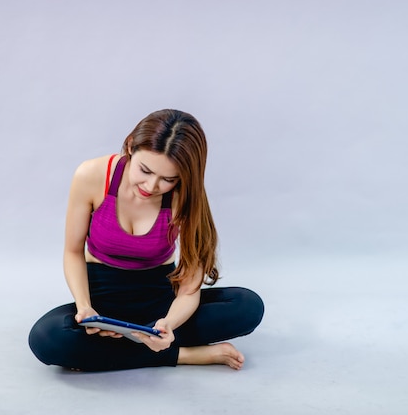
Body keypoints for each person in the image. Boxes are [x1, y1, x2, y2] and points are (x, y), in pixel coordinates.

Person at [28, 109, 264, 372]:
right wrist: (85, 308)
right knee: (45, 338)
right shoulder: (91, 176)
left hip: (160, 303)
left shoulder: (185, 198)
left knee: (247, 307)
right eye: (145, 170)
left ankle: (117, 353)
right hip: (102, 302)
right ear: (130, 146)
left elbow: (188, 290)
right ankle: (186, 355)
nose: (151, 186)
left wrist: (168, 325)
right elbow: (72, 252)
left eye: (168, 179)